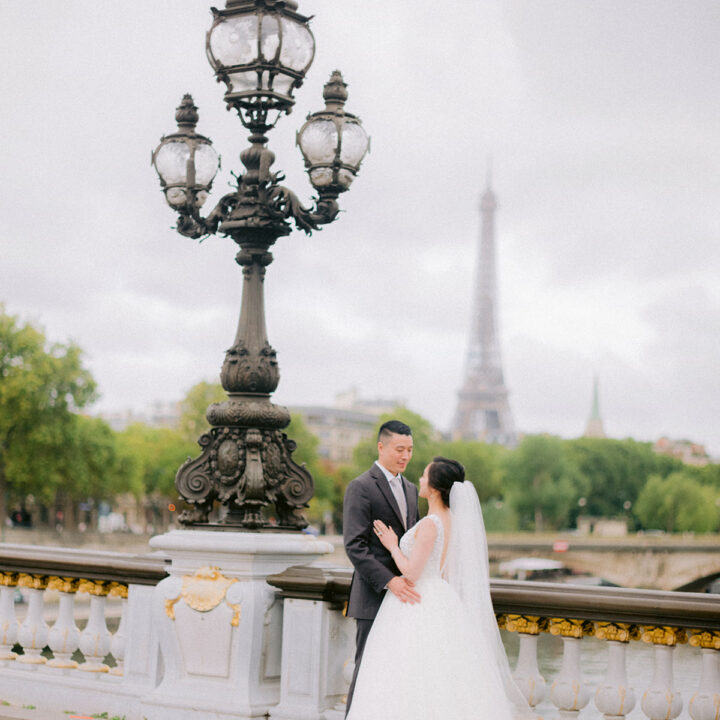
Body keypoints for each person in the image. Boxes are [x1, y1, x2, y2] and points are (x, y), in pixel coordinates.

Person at [345, 457, 531, 720]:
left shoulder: (432, 523)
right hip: (441, 596)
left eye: (424, 475)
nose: (419, 479)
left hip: (416, 599)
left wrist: (392, 545)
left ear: (433, 487)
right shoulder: (452, 519)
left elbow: (411, 573)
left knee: (406, 675)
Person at [343, 420, 421, 714]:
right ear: (381, 447)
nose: (406, 456)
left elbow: (412, 542)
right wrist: (390, 581)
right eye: (400, 449)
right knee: (366, 673)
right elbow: (354, 546)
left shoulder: (412, 490)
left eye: (410, 450)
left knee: (395, 676)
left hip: (404, 600)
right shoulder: (361, 487)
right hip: (373, 598)